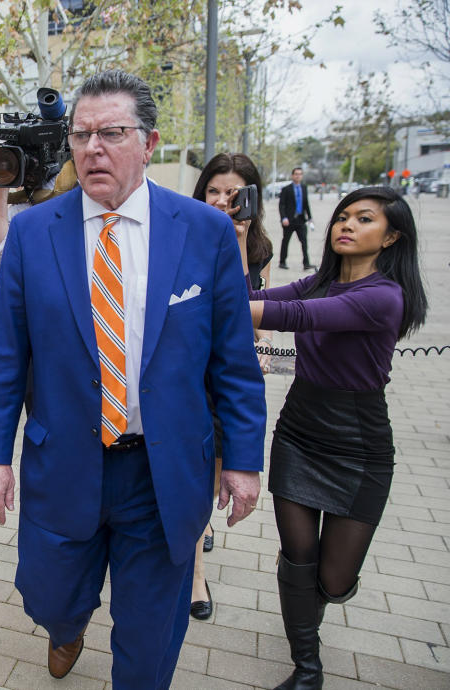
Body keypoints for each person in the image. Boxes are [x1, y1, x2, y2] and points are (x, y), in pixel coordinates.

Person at [0, 70, 267, 689]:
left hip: (163, 475)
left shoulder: (205, 232)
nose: (92, 148)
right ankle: (67, 625)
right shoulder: (34, 233)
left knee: (149, 639)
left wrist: (243, 459)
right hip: (64, 465)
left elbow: (233, 363)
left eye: (111, 132)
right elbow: (6, 359)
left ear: (149, 141)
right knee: (48, 599)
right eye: (81, 135)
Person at [241, 186, 427, 689]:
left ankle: (313, 618)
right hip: (300, 430)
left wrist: (219, 308)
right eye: (342, 216)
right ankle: (308, 668)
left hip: (359, 444)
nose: (345, 225)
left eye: (363, 219)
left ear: (391, 237)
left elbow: (293, 317)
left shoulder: (384, 296)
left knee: (333, 580)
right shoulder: (320, 280)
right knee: (297, 557)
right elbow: (258, 299)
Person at [188, 151, 274, 621]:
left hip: (227, 372)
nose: (222, 201)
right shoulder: (182, 234)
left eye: (233, 194)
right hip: (187, 371)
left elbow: (249, 324)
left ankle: (199, 531)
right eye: (214, 191)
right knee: (200, 467)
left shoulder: (258, 248)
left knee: (220, 459)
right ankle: (195, 572)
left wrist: (238, 241)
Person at [278, 167, 314, 270]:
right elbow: (281, 205)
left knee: (304, 242)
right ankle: (282, 261)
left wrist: (310, 217)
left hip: (301, 219)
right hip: (289, 220)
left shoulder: (304, 188)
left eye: (300, 174)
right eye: (296, 174)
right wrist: (283, 218)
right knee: (286, 241)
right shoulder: (286, 189)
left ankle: (306, 263)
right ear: (292, 176)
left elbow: (306, 203)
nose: (298, 176)